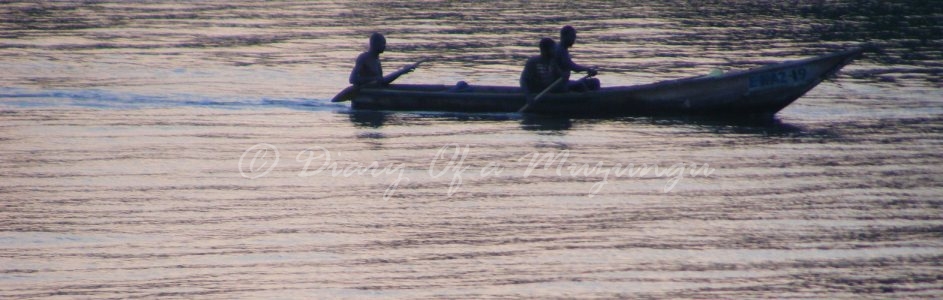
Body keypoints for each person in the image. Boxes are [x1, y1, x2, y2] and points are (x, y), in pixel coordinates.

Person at [348, 33, 416, 87]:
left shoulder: (377, 60)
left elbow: (381, 81)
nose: (384, 46)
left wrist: (402, 71)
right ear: (375, 44)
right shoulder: (363, 58)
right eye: (383, 43)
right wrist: (374, 79)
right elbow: (352, 79)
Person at [555, 25, 600, 92]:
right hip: (560, 85)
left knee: (594, 82)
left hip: (565, 82)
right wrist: (587, 69)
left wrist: (587, 69)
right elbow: (573, 67)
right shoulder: (560, 50)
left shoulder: (563, 49)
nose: (574, 40)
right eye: (572, 37)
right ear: (565, 36)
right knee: (591, 83)